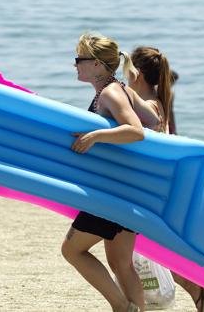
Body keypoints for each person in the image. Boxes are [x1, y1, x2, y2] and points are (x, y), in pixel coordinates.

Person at [62, 32, 146, 312]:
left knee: (72, 250)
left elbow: (136, 131)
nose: (75, 65)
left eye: (79, 59)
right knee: (121, 263)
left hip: (112, 190)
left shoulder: (110, 92)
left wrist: (96, 136)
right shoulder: (116, 88)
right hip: (126, 186)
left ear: (97, 64)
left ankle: (122, 306)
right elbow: (154, 120)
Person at [127, 46, 204, 312]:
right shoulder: (158, 103)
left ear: (137, 74)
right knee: (147, 247)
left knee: (136, 248)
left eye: (127, 71)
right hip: (153, 186)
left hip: (145, 188)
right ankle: (193, 288)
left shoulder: (147, 106)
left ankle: (190, 287)